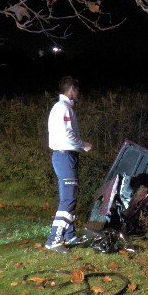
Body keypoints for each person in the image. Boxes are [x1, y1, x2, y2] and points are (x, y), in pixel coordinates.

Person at [45, 76, 92, 254]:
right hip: (65, 156)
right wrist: (83, 145)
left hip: (64, 156)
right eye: (77, 90)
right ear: (72, 89)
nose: (78, 94)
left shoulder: (61, 107)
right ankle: (53, 240)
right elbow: (67, 135)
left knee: (70, 196)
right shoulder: (64, 108)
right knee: (69, 199)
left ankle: (69, 235)